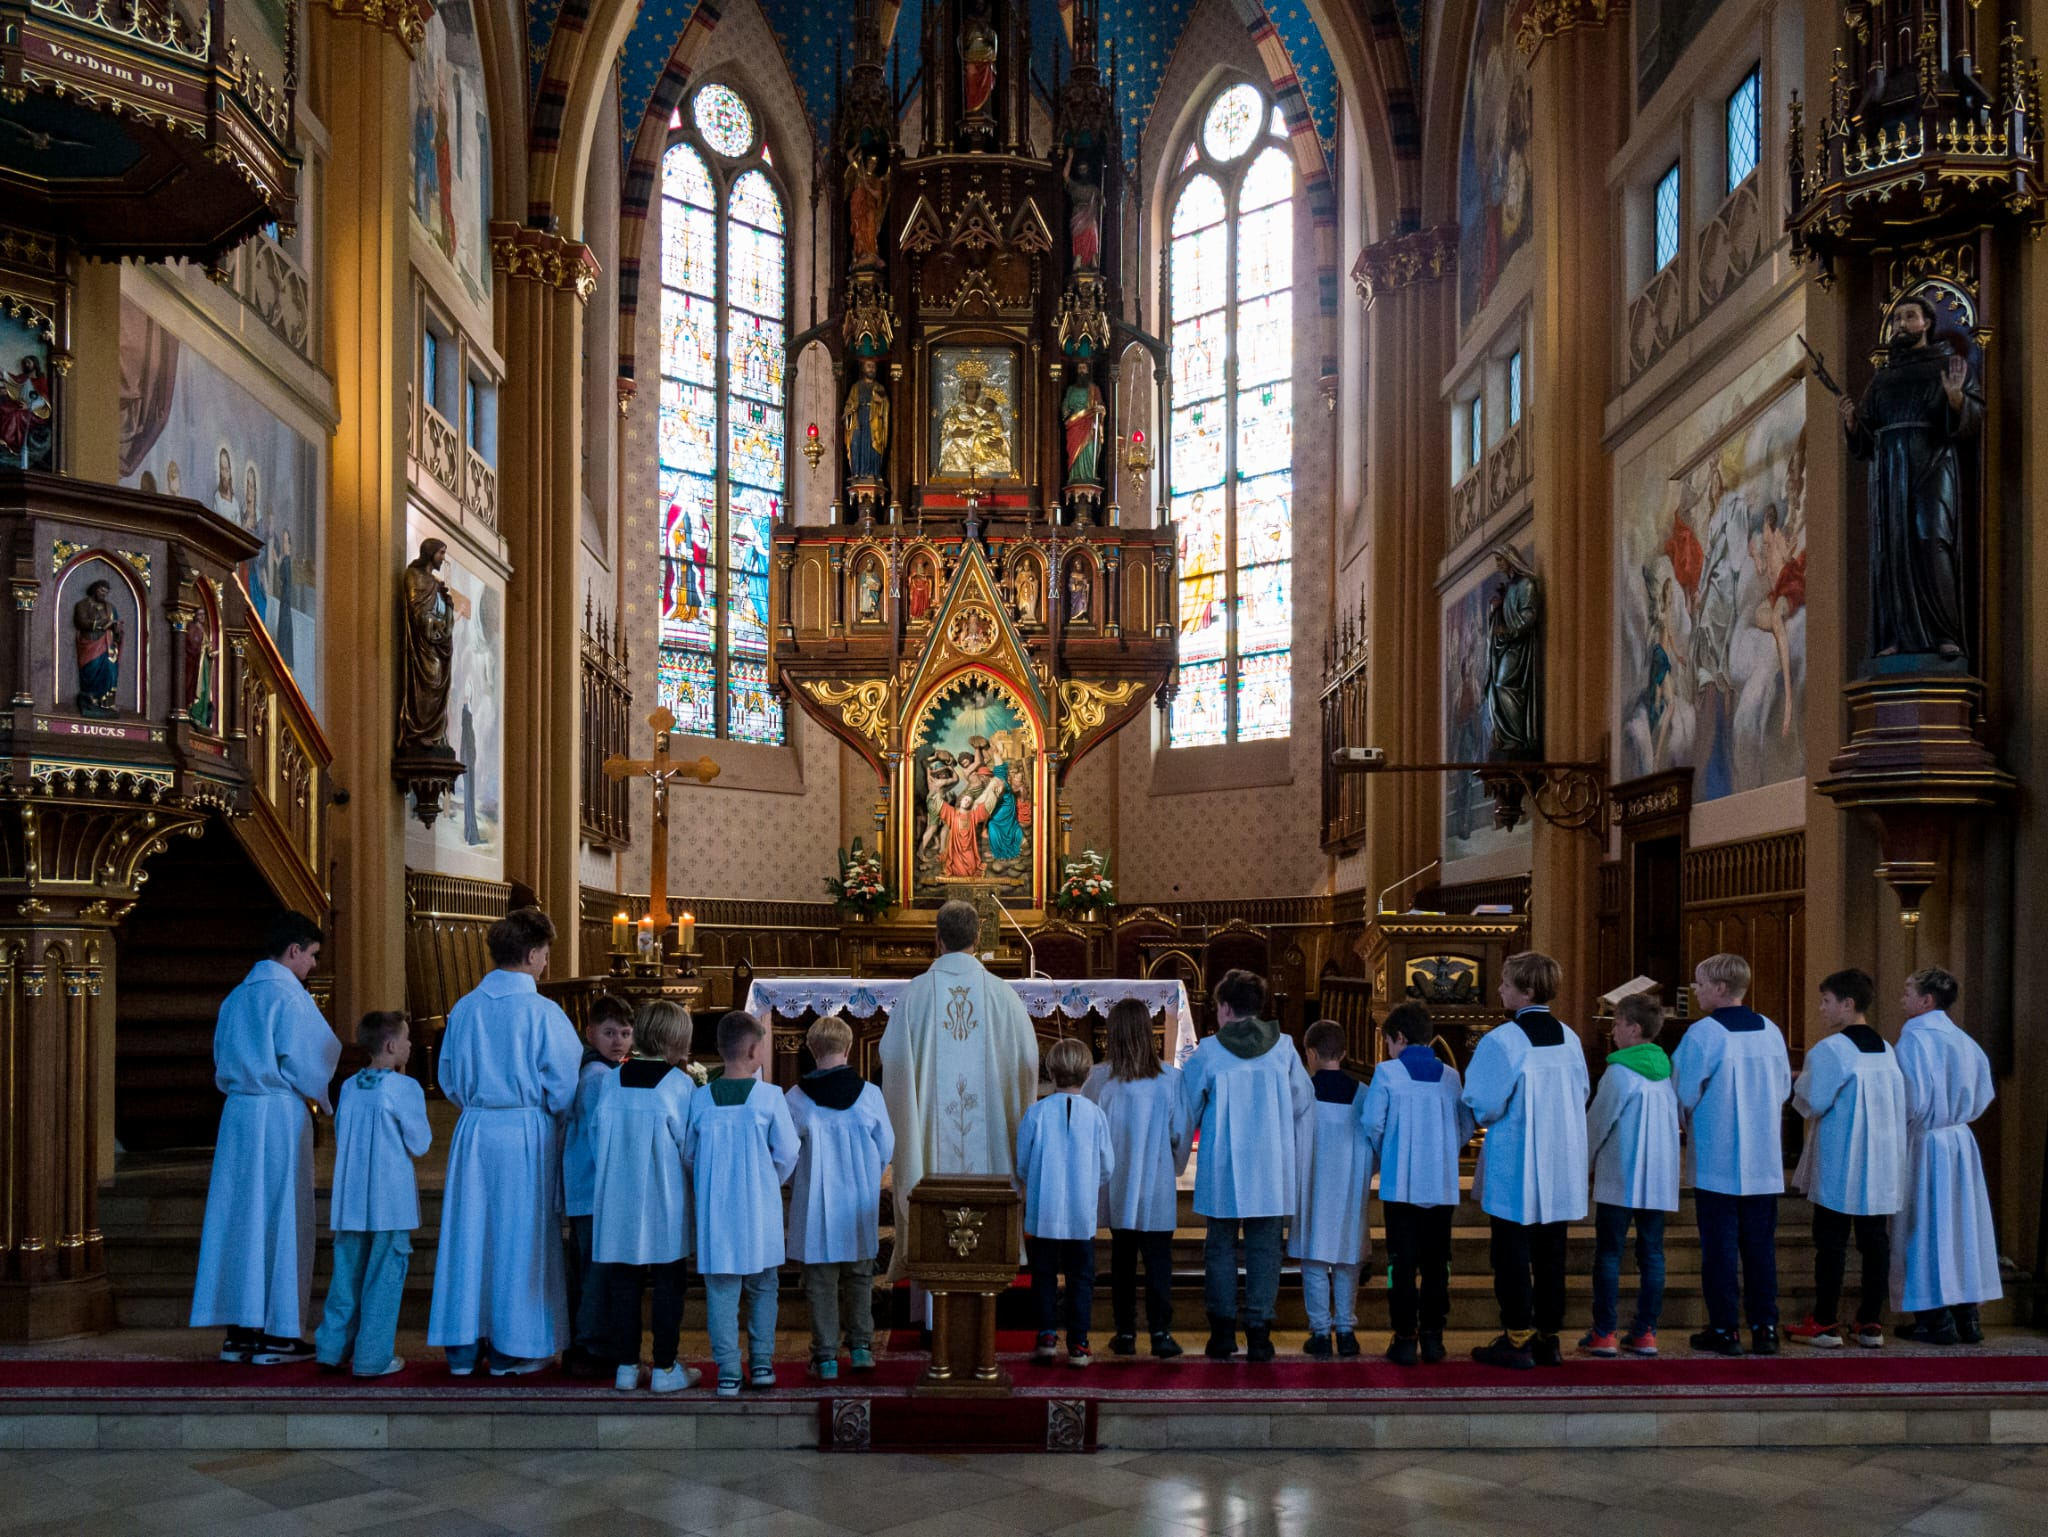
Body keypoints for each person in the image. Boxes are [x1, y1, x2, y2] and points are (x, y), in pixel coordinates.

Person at [426, 907, 583, 1376]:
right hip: (524, 1131)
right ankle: (513, 1346)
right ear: (532, 954)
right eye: (546, 953)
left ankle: (463, 1344)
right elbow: (564, 1087)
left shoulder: (465, 1007)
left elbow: (448, 1078)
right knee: (520, 1238)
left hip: (475, 1129)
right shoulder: (542, 1012)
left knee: (470, 1235)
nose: (546, 962)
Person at [191, 912, 341, 1365]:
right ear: (294, 950)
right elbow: (312, 1061)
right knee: (282, 1216)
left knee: (240, 1218)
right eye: (312, 955)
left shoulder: (237, 996)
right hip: (277, 1113)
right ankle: (278, 1333)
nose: (313, 965)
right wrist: (330, 1102)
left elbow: (221, 1054)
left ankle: (240, 1332)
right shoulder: (290, 997)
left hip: (238, 1113)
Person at [878, 900, 1039, 1281]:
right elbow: (1028, 1063)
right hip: (994, 1165)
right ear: (978, 937)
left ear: (937, 939)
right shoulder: (1003, 996)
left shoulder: (915, 995)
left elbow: (894, 1063)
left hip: (928, 1161)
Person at [1463, 950, 1589, 1370]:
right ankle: (1549, 1338)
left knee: (1511, 1252)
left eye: (1506, 983)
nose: (1499, 989)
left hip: (1516, 1160)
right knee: (1552, 1252)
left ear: (1527, 991)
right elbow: (1582, 1092)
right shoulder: (1570, 1038)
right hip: (1561, 1157)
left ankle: (1517, 1337)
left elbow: (1484, 1104)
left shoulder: (1503, 1041)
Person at [1179, 969, 1313, 1364]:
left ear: (1224, 1008)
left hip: (1224, 1162)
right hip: (1271, 1163)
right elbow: (1302, 1101)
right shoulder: (1284, 1048)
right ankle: (1259, 1335)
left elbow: (1187, 1107)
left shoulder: (1209, 1051)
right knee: (1265, 1248)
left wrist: (1177, 1153)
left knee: (1220, 1246)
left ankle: (1222, 1334)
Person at [1674, 952, 1792, 1357]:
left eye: (1700, 983)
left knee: (1720, 1249)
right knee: (1760, 1247)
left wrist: (1686, 1122)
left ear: (1720, 988)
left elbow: (1684, 1092)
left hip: (1717, 1157)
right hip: (1762, 1158)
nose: (1696, 990)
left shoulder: (1704, 1034)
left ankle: (1725, 1329)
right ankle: (1765, 1327)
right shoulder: (1771, 1030)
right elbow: (1783, 1089)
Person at [1786, 969, 1907, 1349]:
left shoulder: (1831, 1049)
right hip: (1882, 1158)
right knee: (1875, 1240)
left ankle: (1824, 1321)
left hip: (1842, 1156)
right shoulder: (1887, 1048)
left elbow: (1812, 1101)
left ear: (1848, 1004)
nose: (1821, 1008)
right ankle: (1871, 1322)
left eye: (1826, 1001)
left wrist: (1797, 1082)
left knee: (1831, 1240)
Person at [684, 1011, 800, 1397]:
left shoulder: (701, 1098)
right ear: (753, 1050)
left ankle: (729, 1371)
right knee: (763, 1286)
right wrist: (767, 1180)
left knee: (721, 1291)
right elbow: (788, 1151)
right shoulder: (769, 1097)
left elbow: (689, 1155)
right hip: (758, 1207)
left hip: (716, 1209)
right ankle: (762, 1363)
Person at [591, 999, 700, 1394]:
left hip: (618, 1194)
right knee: (669, 1281)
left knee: (624, 1281)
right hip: (662, 1196)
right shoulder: (679, 1085)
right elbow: (689, 1148)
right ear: (675, 1040)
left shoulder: (611, 1080)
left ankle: (626, 1365)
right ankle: (665, 1367)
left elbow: (596, 1136)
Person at [315, 1012, 431, 1377]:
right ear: (391, 1045)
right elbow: (420, 1142)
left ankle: (332, 1348)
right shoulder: (404, 1088)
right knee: (384, 1276)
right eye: (406, 1039)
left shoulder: (349, 1086)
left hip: (351, 1198)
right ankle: (372, 1356)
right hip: (389, 1200)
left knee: (346, 1275)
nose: (410, 1045)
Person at [1891, 968, 2001, 1345]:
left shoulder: (1914, 1039)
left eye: (1908, 992)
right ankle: (1967, 1317)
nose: (1902, 999)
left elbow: (1908, 1099)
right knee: (1961, 1228)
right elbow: (1984, 1093)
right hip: (1960, 1141)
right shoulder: (1964, 1040)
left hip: (1926, 1143)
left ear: (1926, 1001)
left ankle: (1934, 1319)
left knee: (1924, 1227)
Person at [1361, 1002, 1473, 1366]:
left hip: (1401, 1184)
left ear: (1399, 1037)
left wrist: (1390, 1152)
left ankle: (1405, 1337)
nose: (1388, 1050)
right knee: (1438, 1262)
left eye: (1388, 1042)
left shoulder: (1387, 1073)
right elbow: (1465, 1127)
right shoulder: (1451, 1076)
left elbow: (1372, 1123)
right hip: (1441, 1183)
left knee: (1402, 1263)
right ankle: (1434, 1337)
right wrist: (1444, 1151)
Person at [785, 1014, 894, 1380]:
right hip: (858, 1200)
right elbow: (886, 1146)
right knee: (860, 1276)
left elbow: (786, 1151)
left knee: (820, 1282)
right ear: (848, 1049)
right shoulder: (870, 1095)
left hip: (815, 1202)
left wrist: (800, 1181)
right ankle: (861, 1348)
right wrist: (867, 1176)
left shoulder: (796, 1098)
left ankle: (826, 1357)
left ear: (811, 1049)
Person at [1083, 999, 1189, 1359]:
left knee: (1123, 1258)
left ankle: (1125, 1332)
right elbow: (1180, 1134)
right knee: (1159, 1260)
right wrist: (1172, 1168)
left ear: (1112, 1034)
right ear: (1148, 1032)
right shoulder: (1170, 1079)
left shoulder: (1099, 1079)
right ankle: (1161, 1332)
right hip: (1156, 1182)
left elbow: (1089, 1131)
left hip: (1117, 1182)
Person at [1581, 993, 1679, 1359]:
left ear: (1634, 1029)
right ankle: (1645, 1332)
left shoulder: (1620, 1073)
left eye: (1618, 1024)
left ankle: (1604, 1332)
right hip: (1657, 1175)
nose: (1613, 1032)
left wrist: (1584, 1161)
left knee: (1609, 1254)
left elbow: (1598, 1123)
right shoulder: (1665, 1071)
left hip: (1619, 1174)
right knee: (1652, 1254)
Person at [1017, 1038, 1113, 1368]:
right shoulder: (1096, 1115)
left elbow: (1023, 1162)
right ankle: (1079, 1342)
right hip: (1080, 1210)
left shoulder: (1037, 1112)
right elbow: (1107, 1165)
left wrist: (1040, 1181)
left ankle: (1046, 1334)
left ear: (1050, 1072)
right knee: (1080, 1276)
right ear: (1087, 1074)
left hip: (1044, 1207)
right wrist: (1086, 1183)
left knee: (1043, 1274)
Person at [1290, 1020, 1374, 1360]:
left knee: (1314, 1258)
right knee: (1348, 1257)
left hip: (1313, 1184)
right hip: (1351, 1186)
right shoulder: (1363, 1094)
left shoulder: (1303, 1095)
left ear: (1310, 1053)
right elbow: (1374, 1140)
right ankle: (1347, 1331)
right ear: (1344, 1053)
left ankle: (1321, 1333)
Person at [562, 995, 635, 1376]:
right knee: (595, 1271)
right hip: (593, 1189)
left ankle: (591, 1341)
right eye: (609, 1033)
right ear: (590, 1033)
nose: (618, 1041)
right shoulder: (597, 1077)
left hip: (593, 1190)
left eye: (624, 1033)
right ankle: (590, 1345)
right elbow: (600, 1137)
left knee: (595, 1268)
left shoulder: (606, 1072)